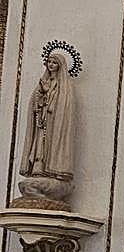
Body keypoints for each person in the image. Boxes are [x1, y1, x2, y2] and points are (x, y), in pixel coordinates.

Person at [21, 50, 76, 183]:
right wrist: (39, 97)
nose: (51, 65)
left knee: (49, 142)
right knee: (39, 142)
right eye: (49, 62)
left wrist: (51, 97)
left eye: (54, 63)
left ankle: (51, 168)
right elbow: (34, 100)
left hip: (54, 122)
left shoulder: (64, 87)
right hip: (42, 120)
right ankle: (38, 167)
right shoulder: (43, 82)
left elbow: (64, 105)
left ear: (60, 66)